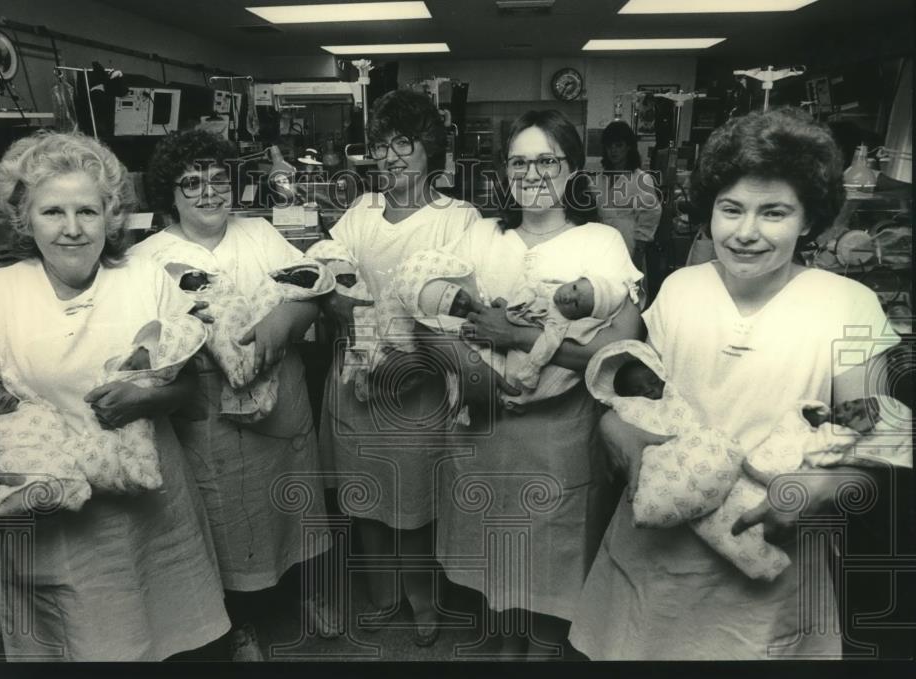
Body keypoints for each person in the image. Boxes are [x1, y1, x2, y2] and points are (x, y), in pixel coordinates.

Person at [568, 108, 911, 659]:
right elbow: (637, 398)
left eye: (773, 212)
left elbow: (876, 428)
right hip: (657, 556)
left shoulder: (845, 303)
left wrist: (818, 487)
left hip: (770, 566)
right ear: (711, 212)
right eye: (731, 209)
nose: (746, 232)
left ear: (808, 220)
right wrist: (620, 438)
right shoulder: (681, 290)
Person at [0, 131, 229, 660]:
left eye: (87, 211)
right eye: (52, 212)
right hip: (62, 525)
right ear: (24, 216)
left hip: (154, 506)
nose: (71, 229)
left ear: (110, 215)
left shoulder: (144, 277)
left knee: (174, 638)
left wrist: (144, 401)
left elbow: (192, 389)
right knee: (89, 644)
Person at [430, 109, 644, 658]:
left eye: (546, 160)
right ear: (504, 172)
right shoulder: (480, 235)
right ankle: (504, 648)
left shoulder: (600, 243)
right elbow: (426, 316)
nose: (532, 174)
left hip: (558, 438)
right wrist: (469, 366)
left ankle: (543, 651)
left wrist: (521, 337)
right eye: (519, 162)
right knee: (496, 551)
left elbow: (621, 351)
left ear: (572, 169)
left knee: (551, 559)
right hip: (485, 430)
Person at [131, 129, 331, 660]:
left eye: (218, 180)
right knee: (229, 519)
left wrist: (285, 319)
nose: (208, 193)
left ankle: (300, 592)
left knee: (291, 503)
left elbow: (316, 287)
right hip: (210, 411)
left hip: (281, 397)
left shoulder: (260, 233)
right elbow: (144, 341)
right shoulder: (148, 258)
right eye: (191, 182)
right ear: (167, 193)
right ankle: (241, 623)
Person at [317, 89, 480, 646]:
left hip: (417, 379)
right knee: (365, 491)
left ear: (430, 149)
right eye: (381, 146)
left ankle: (421, 598)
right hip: (356, 374)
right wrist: (335, 297)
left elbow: (459, 302)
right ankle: (383, 596)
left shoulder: (457, 218)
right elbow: (328, 265)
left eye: (403, 144)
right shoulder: (362, 211)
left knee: (413, 496)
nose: (390, 157)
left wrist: (405, 334)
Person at [593, 121, 662, 271]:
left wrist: (639, 252)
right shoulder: (599, 179)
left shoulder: (641, 179)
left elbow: (651, 215)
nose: (613, 150)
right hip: (602, 243)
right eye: (609, 146)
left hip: (628, 242)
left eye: (619, 145)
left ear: (628, 146)